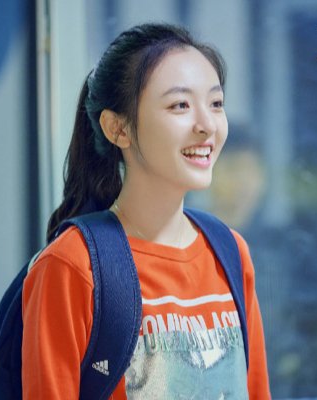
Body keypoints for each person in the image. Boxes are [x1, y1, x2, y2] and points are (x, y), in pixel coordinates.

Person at [21, 23, 270, 399]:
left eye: (216, 104)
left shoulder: (230, 252)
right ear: (117, 128)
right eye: (180, 105)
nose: (207, 125)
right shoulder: (72, 266)